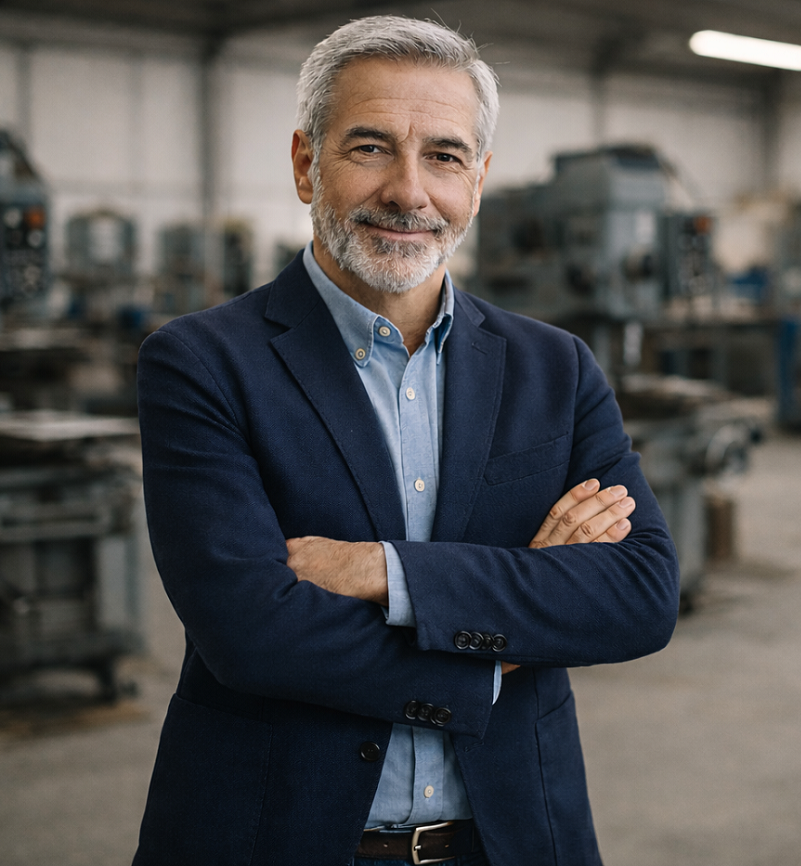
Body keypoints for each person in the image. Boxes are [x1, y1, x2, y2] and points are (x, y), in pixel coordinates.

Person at [131, 15, 679, 866]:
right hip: (275, 838)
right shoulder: (202, 363)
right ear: (306, 163)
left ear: (479, 181)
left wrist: (385, 573)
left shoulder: (554, 367)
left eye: (445, 157)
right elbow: (250, 631)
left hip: (513, 841)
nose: (409, 191)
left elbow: (640, 594)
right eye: (370, 147)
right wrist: (506, 639)